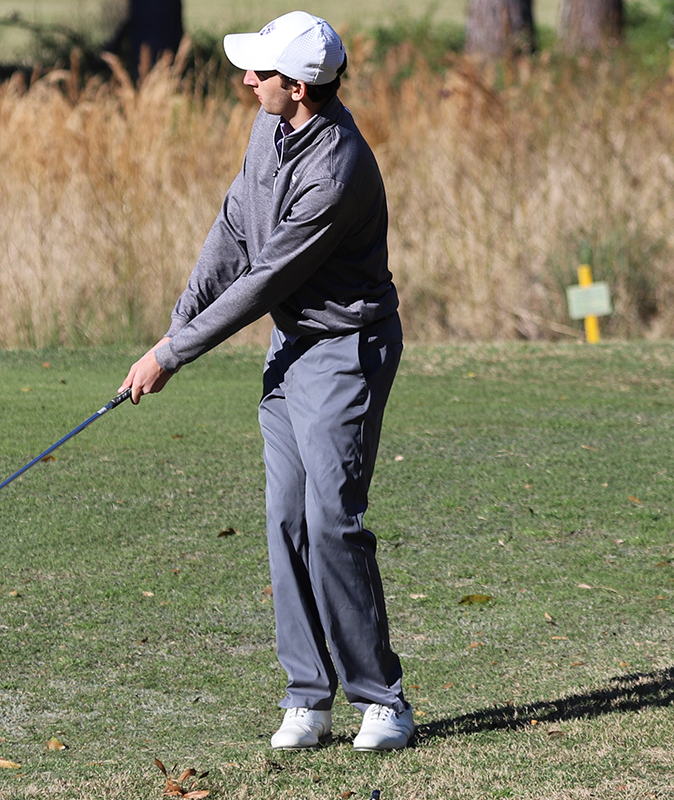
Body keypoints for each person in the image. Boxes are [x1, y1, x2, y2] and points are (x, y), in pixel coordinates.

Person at [117, 10, 412, 752]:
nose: (247, 80)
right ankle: (308, 698)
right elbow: (233, 232)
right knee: (286, 520)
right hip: (291, 348)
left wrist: (173, 356)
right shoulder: (269, 129)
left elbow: (262, 279)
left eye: (262, 73)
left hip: (346, 350)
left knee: (331, 522)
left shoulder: (337, 169)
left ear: (303, 87)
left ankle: (382, 700)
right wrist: (172, 328)